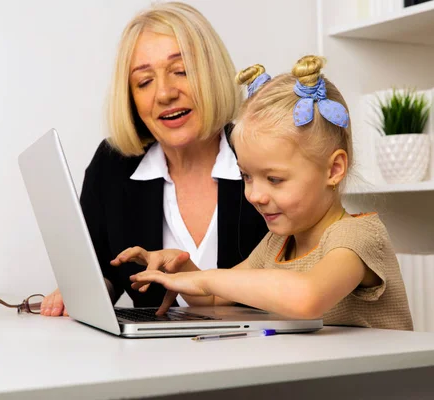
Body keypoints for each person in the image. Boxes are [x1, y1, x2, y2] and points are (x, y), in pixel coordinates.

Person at [117, 56, 414, 330]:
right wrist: (184, 271)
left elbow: (307, 299)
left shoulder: (357, 237)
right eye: (247, 176)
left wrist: (206, 279)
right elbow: (216, 301)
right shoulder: (276, 245)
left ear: (334, 169)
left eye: (274, 179)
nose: (255, 195)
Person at [39, 2, 268, 317]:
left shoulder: (264, 156)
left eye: (181, 71)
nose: (164, 94)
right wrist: (81, 293)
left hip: (264, 354)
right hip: (150, 362)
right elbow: (103, 273)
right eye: (144, 82)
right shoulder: (113, 165)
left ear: (213, 73)